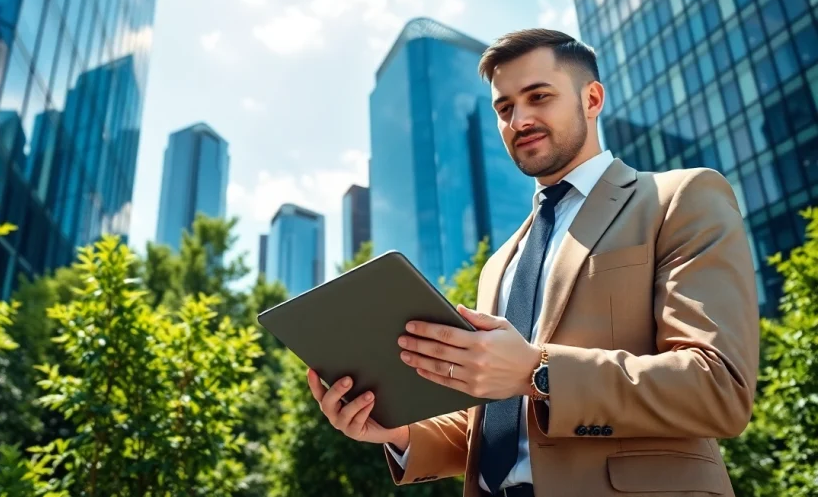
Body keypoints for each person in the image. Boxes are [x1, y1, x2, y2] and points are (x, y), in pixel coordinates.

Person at [306, 28, 759, 496]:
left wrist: (536, 371)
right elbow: (499, 424)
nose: (519, 119)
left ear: (592, 98)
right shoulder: (500, 263)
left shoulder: (678, 199)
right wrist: (395, 433)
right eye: (504, 108)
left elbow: (717, 386)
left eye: (538, 96)